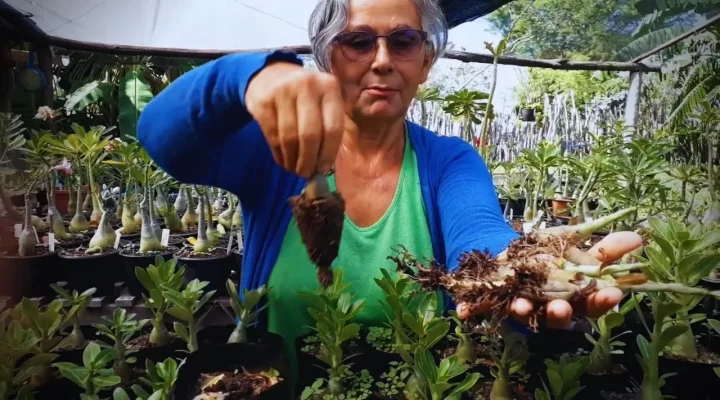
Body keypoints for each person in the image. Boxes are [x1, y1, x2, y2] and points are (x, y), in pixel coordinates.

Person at [138, 0, 642, 382]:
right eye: (358, 41)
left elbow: (478, 231)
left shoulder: (449, 162)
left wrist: (521, 267)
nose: (381, 60)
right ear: (327, 57)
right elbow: (160, 138)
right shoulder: (274, 154)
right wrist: (248, 77)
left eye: (402, 41)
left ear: (425, 62)